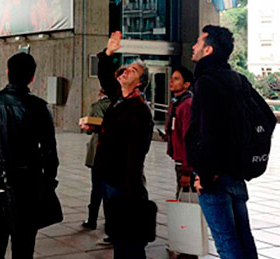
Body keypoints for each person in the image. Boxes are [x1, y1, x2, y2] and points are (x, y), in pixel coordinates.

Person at [0, 52, 59, 258]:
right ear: (32, 77)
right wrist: (48, 183)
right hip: (27, 186)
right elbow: (49, 152)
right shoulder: (38, 107)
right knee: (24, 245)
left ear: (7, 72)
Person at [187, 25, 259, 259]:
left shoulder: (206, 82)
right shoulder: (237, 79)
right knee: (244, 239)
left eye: (198, 42)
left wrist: (206, 176)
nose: (193, 46)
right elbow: (265, 117)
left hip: (215, 177)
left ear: (208, 50)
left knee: (227, 243)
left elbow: (209, 133)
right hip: (236, 173)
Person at [81, 31, 154, 258]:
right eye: (125, 68)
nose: (125, 71)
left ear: (140, 83)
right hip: (110, 177)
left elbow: (136, 150)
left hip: (124, 183)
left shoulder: (139, 109)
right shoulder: (119, 100)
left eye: (133, 71)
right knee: (121, 237)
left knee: (128, 240)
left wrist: (130, 188)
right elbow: (105, 77)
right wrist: (108, 52)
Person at [80, 90, 110, 234]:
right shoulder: (121, 104)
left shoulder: (98, 106)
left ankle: (92, 219)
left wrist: (88, 127)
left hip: (99, 152)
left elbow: (93, 128)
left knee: (97, 188)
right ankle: (111, 224)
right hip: (116, 153)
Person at [163, 66, 195, 199]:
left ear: (186, 84)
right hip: (179, 159)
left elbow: (189, 137)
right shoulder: (176, 103)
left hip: (185, 162)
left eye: (176, 79)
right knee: (182, 196)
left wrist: (187, 171)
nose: (171, 81)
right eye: (171, 78)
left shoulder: (187, 104)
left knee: (186, 198)